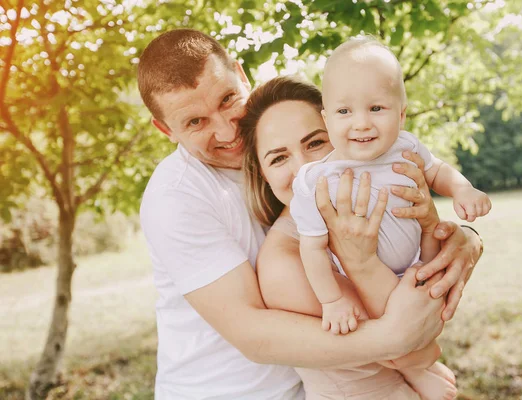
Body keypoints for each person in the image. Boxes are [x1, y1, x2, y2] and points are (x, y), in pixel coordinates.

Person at [137, 28, 483, 399]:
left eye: (227, 100)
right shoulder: (177, 200)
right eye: (195, 122)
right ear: (164, 129)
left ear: (242, 76)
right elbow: (252, 332)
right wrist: (399, 344)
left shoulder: (285, 136)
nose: (226, 129)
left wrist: (461, 237)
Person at [288, 38, 490, 399]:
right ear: (326, 118)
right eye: (344, 112)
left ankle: (422, 362)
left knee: (428, 318)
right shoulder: (315, 181)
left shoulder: (407, 147)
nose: (361, 123)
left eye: (376, 108)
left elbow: (438, 170)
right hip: (360, 283)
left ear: (401, 114)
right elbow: (313, 249)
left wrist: (463, 190)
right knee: (396, 338)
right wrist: (332, 299)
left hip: (418, 264)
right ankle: (418, 368)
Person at [240, 75, 462, 399]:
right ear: (264, 174)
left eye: (315, 143)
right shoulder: (284, 262)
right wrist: (362, 262)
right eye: (279, 158)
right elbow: (415, 350)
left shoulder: (370, 211)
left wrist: (441, 229)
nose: (303, 168)